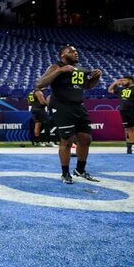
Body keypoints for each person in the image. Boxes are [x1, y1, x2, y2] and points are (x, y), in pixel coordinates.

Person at [35, 45, 102, 184]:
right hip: (61, 106)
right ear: (63, 55)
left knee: (86, 138)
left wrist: (95, 77)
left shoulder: (80, 69)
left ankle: (80, 169)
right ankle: (65, 173)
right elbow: (40, 84)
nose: (75, 53)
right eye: (71, 51)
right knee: (67, 140)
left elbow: (87, 86)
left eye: (76, 51)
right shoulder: (55, 67)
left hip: (78, 106)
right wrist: (59, 71)